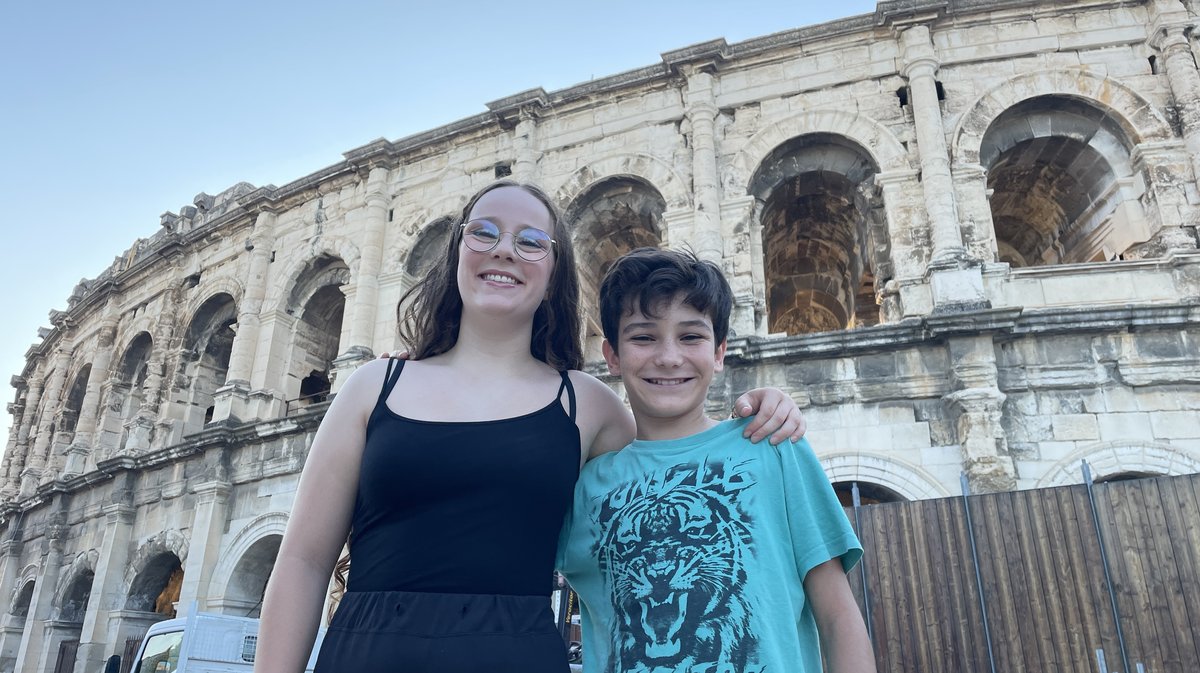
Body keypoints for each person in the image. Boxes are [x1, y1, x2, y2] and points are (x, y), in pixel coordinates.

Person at [254, 181, 808, 673]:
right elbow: (303, 560)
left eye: (530, 241)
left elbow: (674, 471)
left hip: (514, 653)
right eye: (485, 233)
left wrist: (762, 406)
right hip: (367, 653)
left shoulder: (588, 407)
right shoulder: (374, 386)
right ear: (456, 254)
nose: (504, 250)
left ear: (554, 270)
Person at [557, 248, 875, 673]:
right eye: (643, 337)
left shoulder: (773, 443)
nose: (669, 357)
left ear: (720, 351)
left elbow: (838, 616)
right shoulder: (587, 487)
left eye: (691, 336)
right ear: (611, 355)